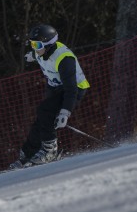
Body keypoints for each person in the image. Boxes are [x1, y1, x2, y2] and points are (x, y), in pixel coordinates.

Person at [10, 24, 90, 169]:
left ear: (48, 44)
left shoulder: (64, 58)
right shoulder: (41, 52)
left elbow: (71, 89)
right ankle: (28, 154)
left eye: (37, 44)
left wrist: (65, 112)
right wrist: (32, 56)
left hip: (74, 89)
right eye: (32, 44)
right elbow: (38, 54)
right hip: (56, 88)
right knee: (41, 119)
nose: (34, 47)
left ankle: (50, 151)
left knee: (44, 111)